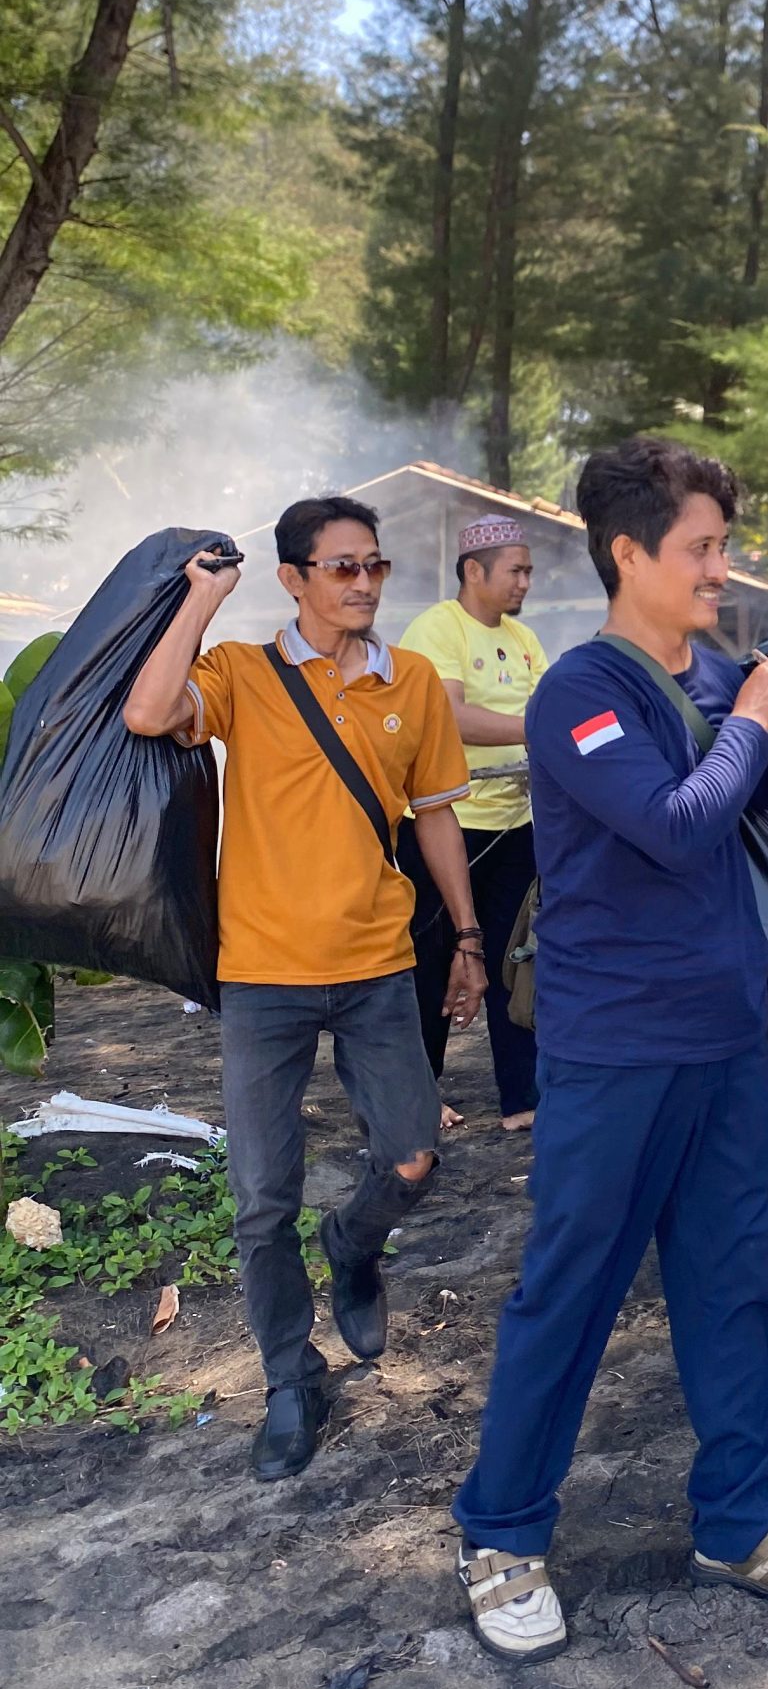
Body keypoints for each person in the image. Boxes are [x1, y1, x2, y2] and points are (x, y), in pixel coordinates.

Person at [452, 435, 768, 1663]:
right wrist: (751, 720)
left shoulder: (717, 676)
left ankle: (742, 1521)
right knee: (570, 1288)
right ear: (628, 553)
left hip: (722, 1038)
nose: (720, 569)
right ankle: (501, 1534)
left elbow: (745, 814)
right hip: (615, 1048)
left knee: (732, 1283)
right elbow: (677, 827)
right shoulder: (578, 692)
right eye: (701, 548)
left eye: (723, 545)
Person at [124, 497, 484, 1482]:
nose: (364, 583)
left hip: (378, 967)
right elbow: (149, 713)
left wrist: (467, 937)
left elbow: (437, 817)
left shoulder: (412, 680)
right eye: (341, 567)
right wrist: (202, 600)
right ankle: (291, 1379)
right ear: (293, 579)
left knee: (414, 1158)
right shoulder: (243, 674)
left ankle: (354, 1245)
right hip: (262, 975)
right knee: (261, 1199)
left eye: (375, 564)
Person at [399, 517, 546, 1129]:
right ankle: (416, 1096)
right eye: (515, 570)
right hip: (444, 822)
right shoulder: (438, 628)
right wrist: (540, 730)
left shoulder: (524, 637)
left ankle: (523, 1097)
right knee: (433, 959)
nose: (525, 582)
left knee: (517, 957)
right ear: (473, 571)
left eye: (529, 571)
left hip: (516, 824)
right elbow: (449, 716)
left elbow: (553, 704)